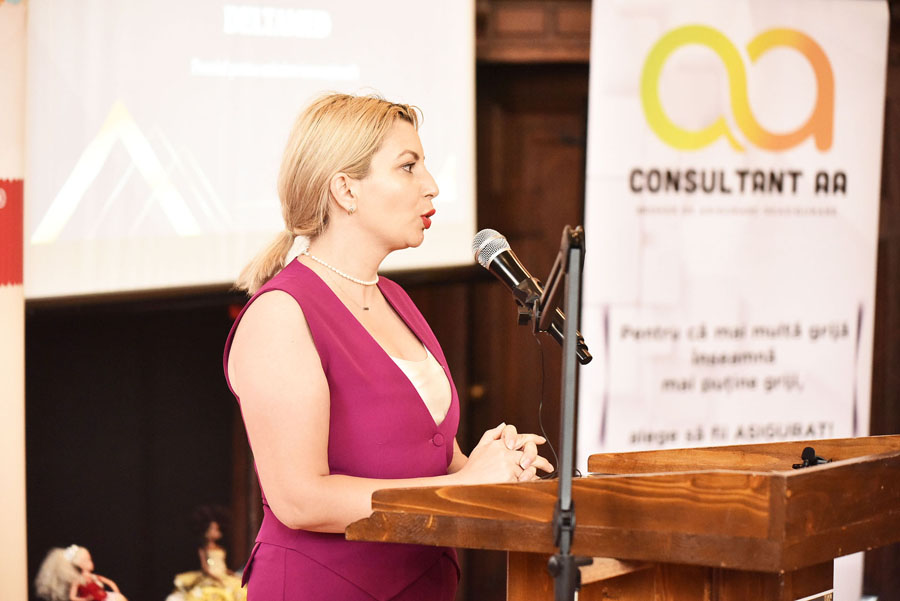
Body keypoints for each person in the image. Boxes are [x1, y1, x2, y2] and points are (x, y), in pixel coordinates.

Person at [224, 93, 552, 601]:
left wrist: (495, 470)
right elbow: (300, 500)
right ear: (345, 190)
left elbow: (435, 462)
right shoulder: (281, 314)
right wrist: (462, 487)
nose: (432, 185)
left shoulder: (395, 298)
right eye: (408, 166)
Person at [166, 506, 246, 601]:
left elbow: (222, 566)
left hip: (222, 575)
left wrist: (231, 573)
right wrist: (215, 577)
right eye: (212, 529)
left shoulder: (220, 548)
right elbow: (205, 567)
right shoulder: (203, 549)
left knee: (238, 589)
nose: (215, 532)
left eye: (217, 529)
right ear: (205, 530)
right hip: (211, 576)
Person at [34, 545, 128, 601]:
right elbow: (73, 597)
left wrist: (117, 593)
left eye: (90, 560)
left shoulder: (94, 577)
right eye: (87, 560)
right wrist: (84, 599)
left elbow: (110, 582)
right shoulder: (78, 581)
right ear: (80, 564)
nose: (91, 563)